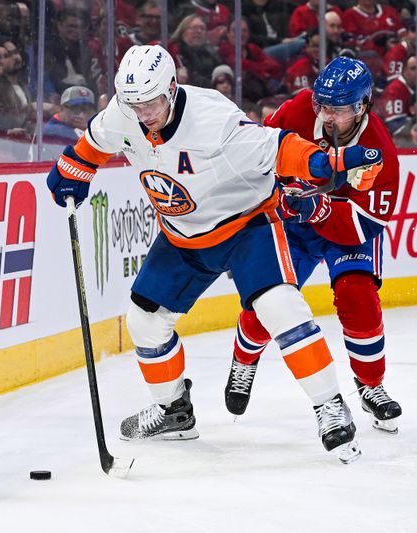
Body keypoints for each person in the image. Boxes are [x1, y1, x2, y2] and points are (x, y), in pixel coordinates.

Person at [46, 44, 385, 463]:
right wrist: (72, 170)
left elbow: (278, 148)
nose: (142, 114)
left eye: (151, 102)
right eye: (133, 104)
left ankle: (330, 406)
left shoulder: (212, 120)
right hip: (182, 235)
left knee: (278, 305)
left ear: (171, 89)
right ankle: (174, 412)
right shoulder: (126, 112)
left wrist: (323, 164)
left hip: (246, 226)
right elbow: (95, 143)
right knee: (145, 321)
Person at [223, 56, 403, 434]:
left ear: (363, 105)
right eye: (322, 104)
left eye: (339, 109)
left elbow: (367, 223)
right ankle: (243, 361)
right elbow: (258, 154)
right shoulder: (299, 109)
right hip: (293, 225)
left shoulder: (379, 149)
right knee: (265, 305)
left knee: (359, 297)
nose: (326, 115)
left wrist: (320, 210)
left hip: (345, 231)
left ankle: (371, 385)